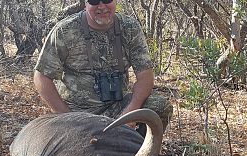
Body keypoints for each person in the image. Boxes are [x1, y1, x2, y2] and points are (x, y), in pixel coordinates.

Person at [34, 0, 172, 132]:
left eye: (106, 0)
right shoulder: (65, 30)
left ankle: (141, 151)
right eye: (94, 1)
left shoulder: (130, 27)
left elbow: (145, 76)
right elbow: (41, 77)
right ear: (85, 3)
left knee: (159, 107)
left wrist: (129, 113)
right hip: (77, 112)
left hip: (118, 108)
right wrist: (67, 117)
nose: (101, 6)